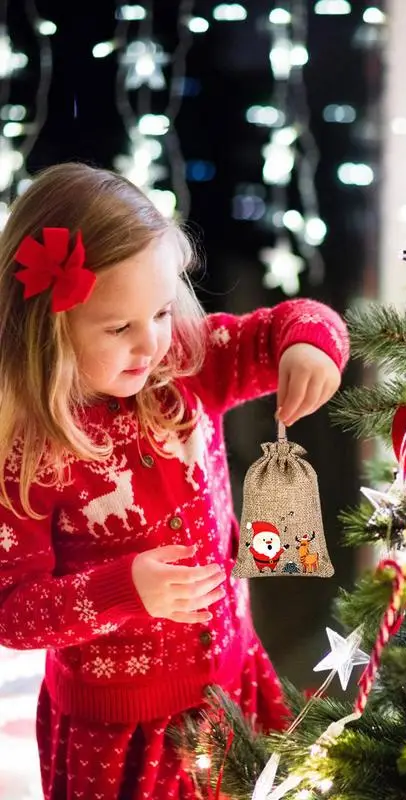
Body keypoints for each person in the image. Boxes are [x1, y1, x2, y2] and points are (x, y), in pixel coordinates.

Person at [0, 163, 350, 799]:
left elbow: (287, 324)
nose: (151, 344)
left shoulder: (186, 367)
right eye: (119, 328)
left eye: (161, 312)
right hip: (120, 733)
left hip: (230, 682)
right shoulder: (26, 451)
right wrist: (121, 590)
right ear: (49, 327)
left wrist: (308, 345)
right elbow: (10, 612)